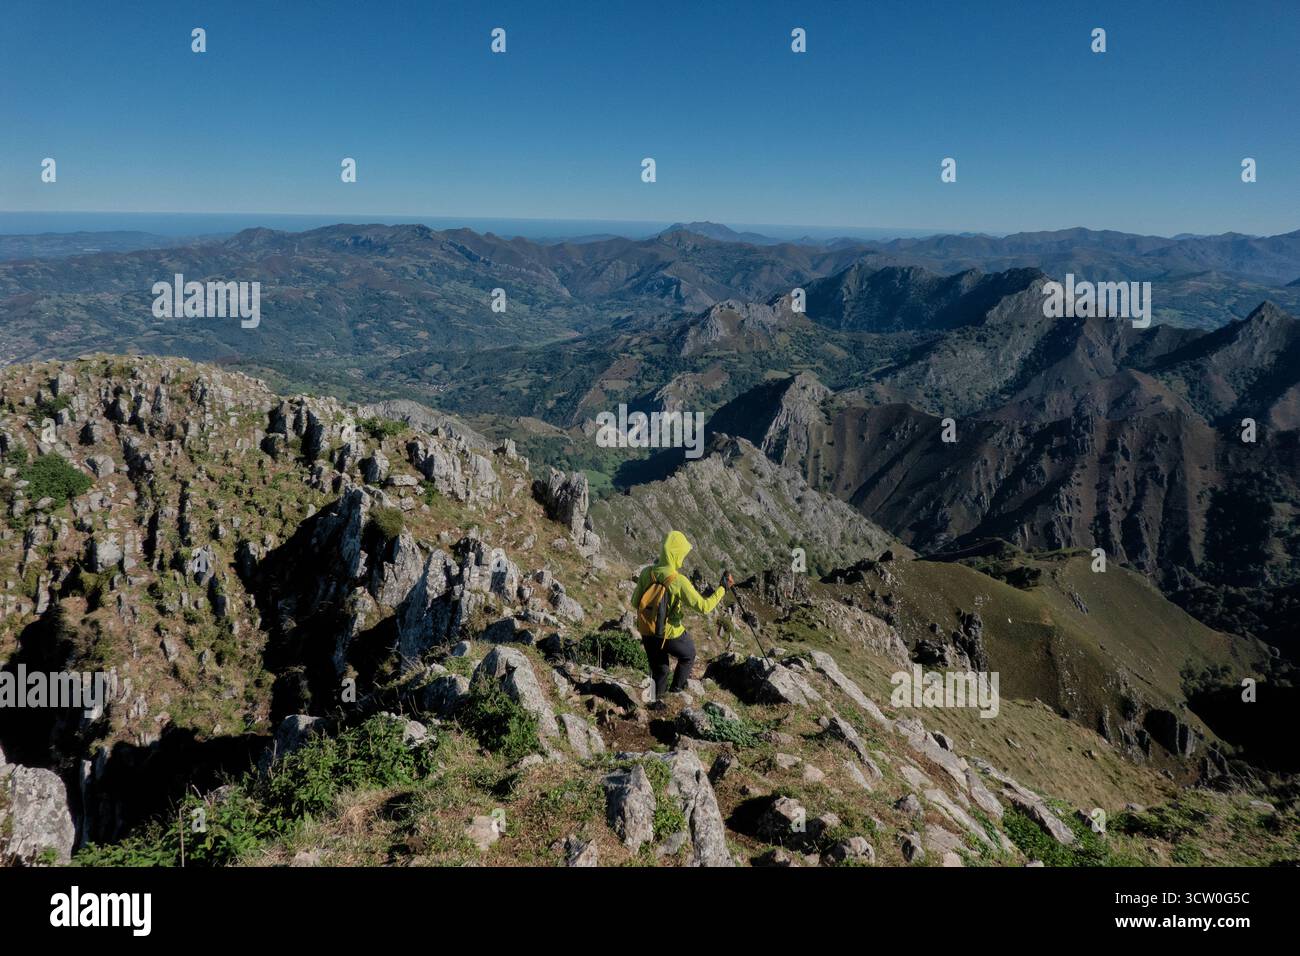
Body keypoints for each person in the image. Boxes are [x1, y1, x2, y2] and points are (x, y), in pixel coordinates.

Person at [632, 530, 733, 703]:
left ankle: (658, 704)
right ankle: (676, 691)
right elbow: (704, 606)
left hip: (647, 630)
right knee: (688, 655)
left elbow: (635, 603)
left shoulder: (646, 572)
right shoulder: (678, 580)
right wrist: (723, 588)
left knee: (661, 670)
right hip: (670, 634)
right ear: (677, 555)